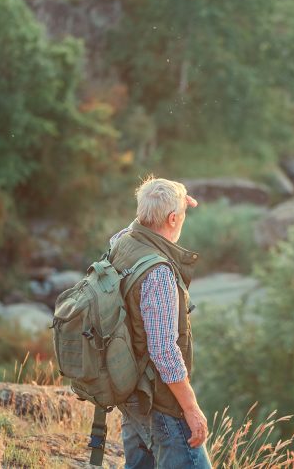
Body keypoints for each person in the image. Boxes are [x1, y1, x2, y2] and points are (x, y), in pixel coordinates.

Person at [107, 174, 212, 469]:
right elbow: (164, 351)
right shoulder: (159, 273)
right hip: (162, 404)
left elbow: (137, 222)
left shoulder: (121, 242)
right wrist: (190, 409)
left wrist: (170, 196)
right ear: (173, 218)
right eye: (182, 215)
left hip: (131, 391)